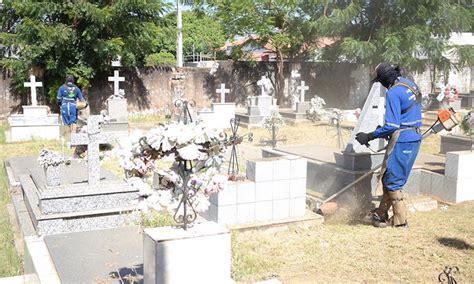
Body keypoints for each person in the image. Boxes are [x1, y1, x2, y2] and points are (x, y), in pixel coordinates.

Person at [355, 63, 422, 228]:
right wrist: (384, 132)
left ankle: (400, 222)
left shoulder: (393, 92)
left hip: (403, 140)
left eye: (380, 81)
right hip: (414, 136)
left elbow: (392, 125)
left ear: (385, 78)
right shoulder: (410, 84)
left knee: (393, 181)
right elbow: (405, 116)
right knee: (388, 177)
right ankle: (381, 214)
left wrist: (369, 136)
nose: (381, 85)